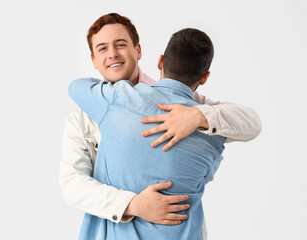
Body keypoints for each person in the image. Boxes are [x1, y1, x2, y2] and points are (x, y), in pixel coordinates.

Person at [60, 13, 262, 239]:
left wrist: (196, 116)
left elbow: (251, 123)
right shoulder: (81, 118)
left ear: (138, 50)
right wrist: (133, 204)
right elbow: (73, 186)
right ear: (94, 60)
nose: (113, 54)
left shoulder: (183, 100)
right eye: (102, 49)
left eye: (120, 44)